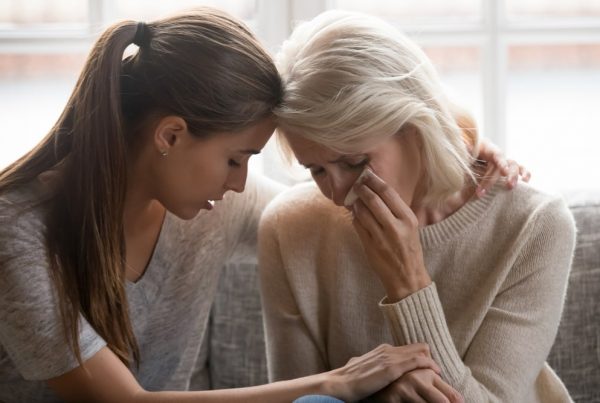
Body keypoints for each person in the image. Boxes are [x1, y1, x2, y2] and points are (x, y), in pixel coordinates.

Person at [0, 7, 526, 403]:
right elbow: (126, 402)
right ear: (170, 135)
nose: (242, 183)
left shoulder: (215, 203)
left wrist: (451, 147)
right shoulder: (18, 230)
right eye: (237, 158)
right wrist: (337, 380)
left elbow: (322, 216)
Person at [259, 10, 575, 403]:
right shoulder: (289, 228)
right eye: (316, 170)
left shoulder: (535, 226)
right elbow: (305, 401)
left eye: (355, 163)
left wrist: (409, 286)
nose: (339, 195)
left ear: (416, 126)